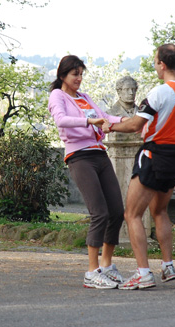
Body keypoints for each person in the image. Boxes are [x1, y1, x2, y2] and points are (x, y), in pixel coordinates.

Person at [102, 44, 175, 290]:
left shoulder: (159, 92)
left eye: (155, 62)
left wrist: (110, 126)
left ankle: (143, 273)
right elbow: (167, 119)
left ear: (162, 65)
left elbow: (136, 125)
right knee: (160, 212)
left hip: (154, 154)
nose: (155, 66)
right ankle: (167, 266)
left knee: (132, 214)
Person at [48, 55, 127, 289]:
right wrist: (89, 121)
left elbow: (104, 118)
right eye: (75, 74)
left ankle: (106, 266)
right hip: (79, 157)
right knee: (99, 213)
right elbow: (61, 120)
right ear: (62, 75)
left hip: (99, 154)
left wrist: (127, 120)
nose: (79, 79)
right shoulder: (57, 95)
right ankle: (91, 272)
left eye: (81, 74)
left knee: (116, 211)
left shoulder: (84, 98)